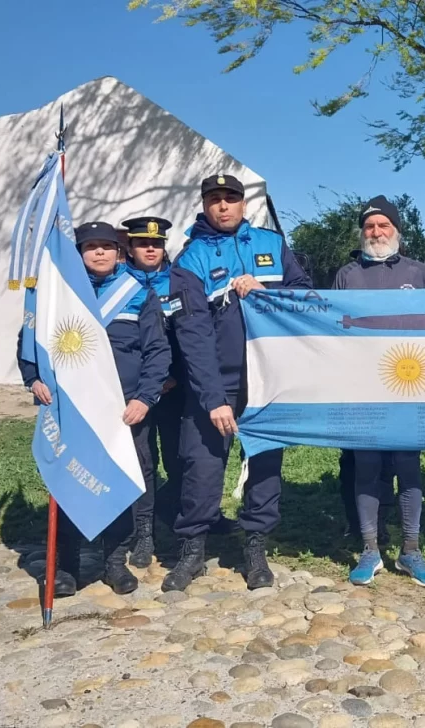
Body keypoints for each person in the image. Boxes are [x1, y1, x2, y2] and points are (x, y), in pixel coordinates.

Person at [165, 174, 312, 592]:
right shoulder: (189, 261)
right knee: (201, 466)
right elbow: (191, 334)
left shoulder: (272, 244)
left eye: (231, 198)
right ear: (205, 205)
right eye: (215, 199)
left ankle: (255, 547)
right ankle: (192, 550)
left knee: (265, 466)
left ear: (244, 204)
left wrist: (263, 290)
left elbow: (305, 296)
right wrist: (213, 398)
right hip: (217, 386)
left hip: (268, 382)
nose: (224, 206)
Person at [17, 222, 171, 596]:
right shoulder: (60, 294)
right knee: (70, 479)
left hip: (124, 410)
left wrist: (144, 398)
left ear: (119, 252)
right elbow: (30, 342)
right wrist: (33, 378)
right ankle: (67, 563)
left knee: (121, 481)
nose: (99, 253)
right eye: (90, 247)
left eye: (106, 246)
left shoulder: (137, 294)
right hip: (73, 410)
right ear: (79, 253)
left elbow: (157, 352)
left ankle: (113, 561)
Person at [333, 195, 425, 588]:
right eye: (370, 227)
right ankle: (370, 549)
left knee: (409, 468)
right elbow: (334, 329)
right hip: (364, 389)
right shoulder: (347, 274)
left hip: (409, 385)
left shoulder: (420, 271)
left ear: (397, 230)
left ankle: (411, 549)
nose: (376, 233)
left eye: (383, 226)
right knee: (368, 468)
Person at [122, 216, 184, 567]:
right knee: (142, 462)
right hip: (136, 393)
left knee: (179, 459)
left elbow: (189, 334)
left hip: (175, 388)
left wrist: (172, 375)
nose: (150, 248)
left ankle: (174, 521)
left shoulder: (178, 281)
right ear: (130, 247)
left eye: (157, 244)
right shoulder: (118, 285)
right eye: (143, 243)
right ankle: (142, 532)